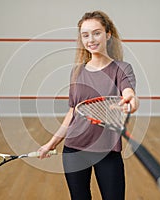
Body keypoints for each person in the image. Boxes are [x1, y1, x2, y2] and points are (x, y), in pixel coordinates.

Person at [38, 10, 139, 200]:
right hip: (74, 149)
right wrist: (50, 144)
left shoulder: (122, 69)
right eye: (85, 35)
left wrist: (130, 103)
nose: (90, 39)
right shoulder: (77, 71)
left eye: (96, 33)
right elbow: (72, 113)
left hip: (107, 152)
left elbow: (129, 93)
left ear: (108, 35)